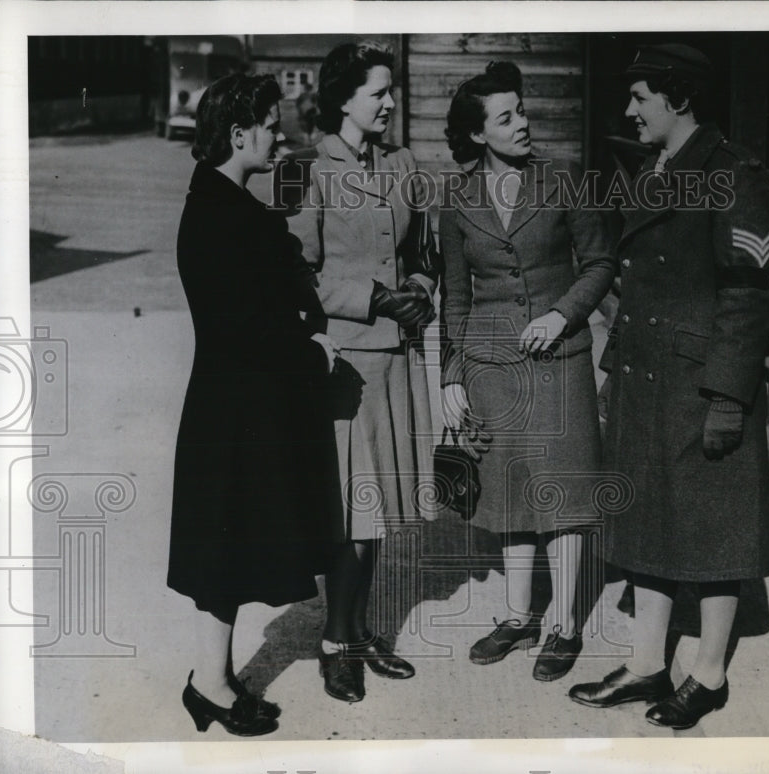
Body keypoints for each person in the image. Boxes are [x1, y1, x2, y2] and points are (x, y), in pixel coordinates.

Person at [568, 44, 769, 730]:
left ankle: (709, 673)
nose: (629, 109)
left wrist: (728, 394)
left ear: (678, 98)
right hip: (647, 373)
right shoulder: (655, 167)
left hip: (701, 377)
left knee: (714, 527)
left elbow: (747, 293)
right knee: (649, 517)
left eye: (640, 97)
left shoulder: (731, 171)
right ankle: (647, 661)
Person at [167, 73, 344, 736]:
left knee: (229, 547)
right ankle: (208, 684)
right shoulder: (221, 211)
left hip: (236, 404)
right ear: (239, 134)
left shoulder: (223, 201)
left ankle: (212, 679)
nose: (280, 134)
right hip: (235, 407)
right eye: (271, 124)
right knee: (225, 549)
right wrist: (313, 352)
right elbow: (243, 324)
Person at [439, 61, 615, 682]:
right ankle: (519, 617)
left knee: (562, 495)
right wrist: (452, 375)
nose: (523, 123)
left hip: (558, 361)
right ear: (479, 134)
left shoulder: (565, 180)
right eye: (505, 116)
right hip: (491, 367)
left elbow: (598, 264)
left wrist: (563, 316)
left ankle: (564, 625)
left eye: (523, 111)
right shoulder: (457, 199)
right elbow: (454, 297)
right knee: (510, 492)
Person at [286, 41, 438, 704]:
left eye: (391, 91)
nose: (389, 103)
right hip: (346, 361)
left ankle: (357, 627)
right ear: (343, 97)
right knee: (354, 508)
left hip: (396, 356)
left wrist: (421, 288)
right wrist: (373, 298)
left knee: (378, 510)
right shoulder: (307, 171)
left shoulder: (402, 164)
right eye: (377, 92)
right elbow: (302, 272)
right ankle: (336, 641)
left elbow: (422, 246)